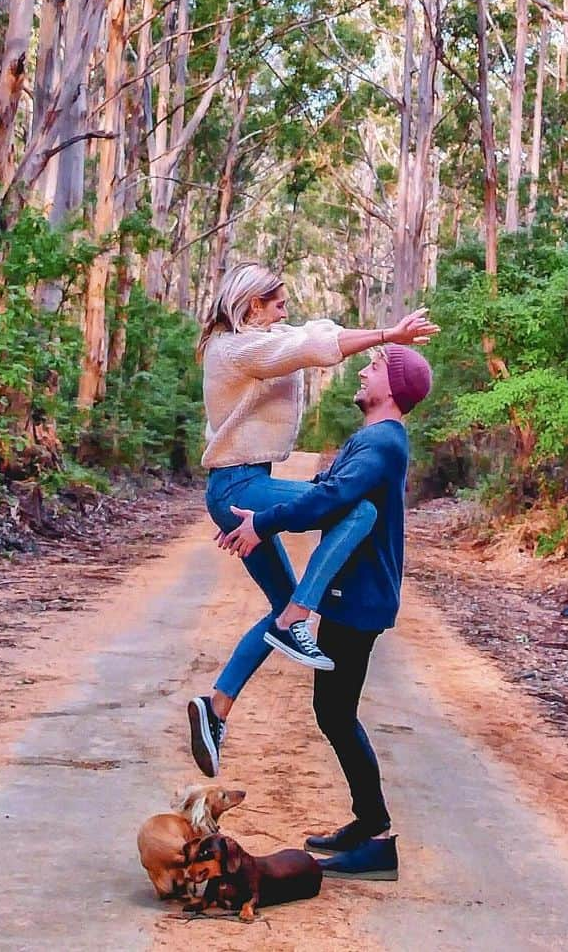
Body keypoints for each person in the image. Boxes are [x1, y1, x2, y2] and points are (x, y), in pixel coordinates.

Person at [187, 262, 437, 779]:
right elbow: (307, 348)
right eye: (277, 303)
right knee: (359, 508)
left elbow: (312, 334)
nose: (286, 311)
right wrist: (391, 335)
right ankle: (300, 612)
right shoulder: (236, 348)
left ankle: (214, 711)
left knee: (281, 612)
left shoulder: (262, 337)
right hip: (239, 484)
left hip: (243, 484)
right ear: (251, 305)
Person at [216, 342, 433, 882]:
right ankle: (367, 825)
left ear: (394, 387)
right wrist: (260, 514)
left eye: (376, 366)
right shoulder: (379, 439)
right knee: (333, 712)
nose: (364, 369)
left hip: (359, 598)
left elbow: (332, 499)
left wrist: (263, 524)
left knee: (336, 714)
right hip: (357, 593)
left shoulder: (383, 442)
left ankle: (377, 836)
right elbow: (323, 497)